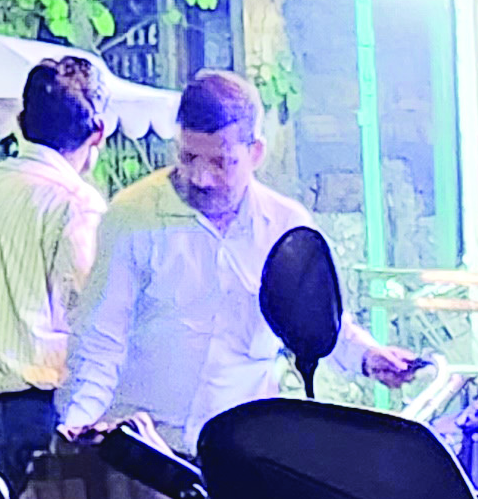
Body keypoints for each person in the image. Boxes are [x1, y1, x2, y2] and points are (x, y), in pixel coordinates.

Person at [59, 70, 422, 440]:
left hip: (241, 451)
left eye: (221, 162)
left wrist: (369, 356)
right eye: (188, 157)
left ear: (256, 153)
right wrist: (76, 425)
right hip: (147, 449)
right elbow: (99, 339)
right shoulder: (132, 216)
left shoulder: (286, 225)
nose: (201, 177)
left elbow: (314, 324)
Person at [0, 55, 111, 490]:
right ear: (99, 133)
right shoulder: (76, 202)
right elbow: (97, 313)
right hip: (55, 410)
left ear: (21, 122)